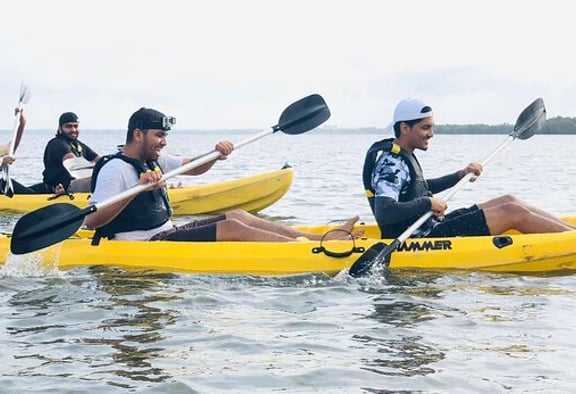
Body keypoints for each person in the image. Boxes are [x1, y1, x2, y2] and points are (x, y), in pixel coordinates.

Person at [86, 107, 364, 244]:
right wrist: (134, 190)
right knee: (232, 228)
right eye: (159, 135)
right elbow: (91, 221)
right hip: (142, 244)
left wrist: (215, 154)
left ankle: (316, 239)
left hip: (166, 232)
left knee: (238, 215)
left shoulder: (154, 159)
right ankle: (305, 250)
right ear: (138, 134)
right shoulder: (115, 169)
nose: (164, 142)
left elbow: (193, 166)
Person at [363, 97, 576, 239]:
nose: (431, 134)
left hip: (431, 224)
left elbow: (417, 188)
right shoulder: (391, 162)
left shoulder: (403, 156)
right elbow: (385, 211)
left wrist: (460, 175)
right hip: (420, 238)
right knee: (512, 212)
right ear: (404, 128)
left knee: (509, 200)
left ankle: (571, 235)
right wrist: (428, 202)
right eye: (425, 128)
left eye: (431, 127)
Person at [41, 112, 101, 194]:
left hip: (77, 185)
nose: (73, 130)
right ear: (60, 128)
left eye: (75, 126)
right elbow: (74, 164)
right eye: (68, 126)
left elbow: (99, 160)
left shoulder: (78, 144)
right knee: (97, 181)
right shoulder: (57, 143)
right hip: (63, 187)